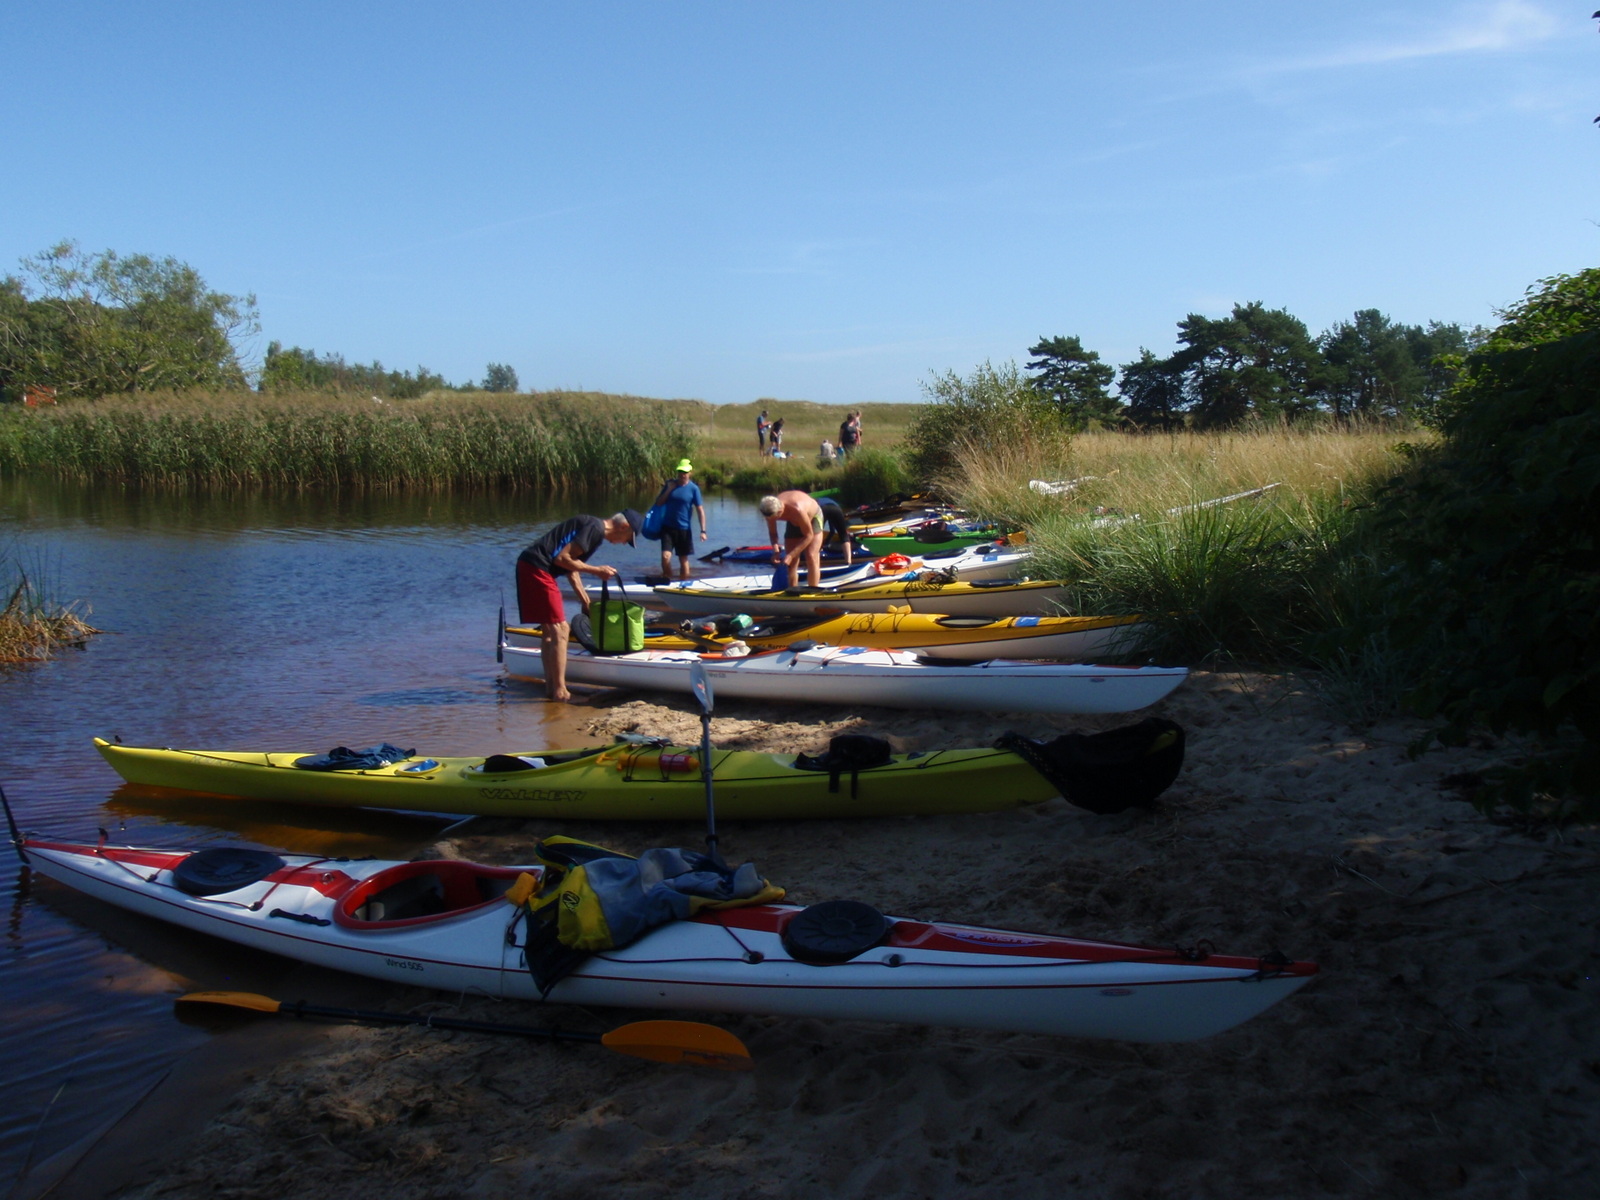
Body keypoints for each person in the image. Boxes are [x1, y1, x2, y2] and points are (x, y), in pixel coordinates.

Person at [515, 509, 643, 701]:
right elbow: (562, 559)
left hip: (530, 565)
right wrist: (596, 570)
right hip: (538, 569)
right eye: (628, 538)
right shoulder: (595, 529)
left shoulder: (594, 529)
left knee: (551, 631)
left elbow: (571, 567)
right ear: (624, 526)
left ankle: (552, 688)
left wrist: (585, 601)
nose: (624, 543)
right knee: (561, 629)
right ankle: (560, 691)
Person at [651, 458, 707, 580]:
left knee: (683, 559)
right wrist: (669, 489)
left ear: (690, 473)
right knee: (665, 557)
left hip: (684, 529)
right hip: (667, 528)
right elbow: (659, 503)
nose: (682, 474)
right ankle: (667, 579)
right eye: (680, 471)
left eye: (685, 472)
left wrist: (703, 531)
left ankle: (684, 582)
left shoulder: (693, 489)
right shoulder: (670, 485)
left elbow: (700, 510)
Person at [758, 490, 824, 589]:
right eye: (767, 518)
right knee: (791, 563)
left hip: (813, 518)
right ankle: (792, 591)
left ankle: (813, 590)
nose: (769, 520)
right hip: (793, 521)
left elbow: (809, 536)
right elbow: (773, 533)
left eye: (772, 518)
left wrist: (790, 555)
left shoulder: (797, 510)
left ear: (780, 512)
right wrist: (776, 551)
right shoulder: (770, 511)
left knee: (811, 556)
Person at [817, 496, 855, 566]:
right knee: (843, 535)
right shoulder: (832, 502)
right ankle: (848, 562)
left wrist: (824, 543)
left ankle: (815, 563)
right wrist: (827, 541)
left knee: (817, 535)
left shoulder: (814, 502)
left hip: (822, 509)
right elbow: (832, 530)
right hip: (836, 509)